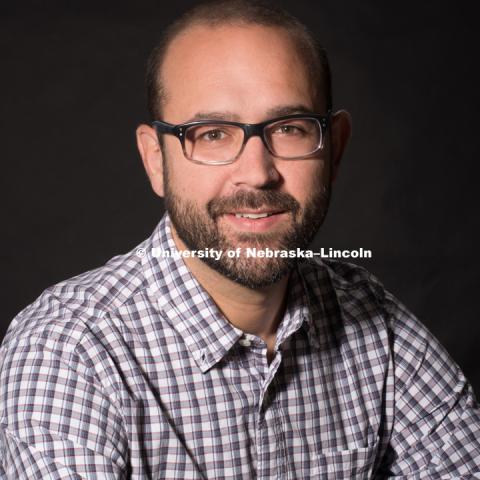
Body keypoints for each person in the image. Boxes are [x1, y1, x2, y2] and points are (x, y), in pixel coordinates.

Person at [1, 1, 479, 478]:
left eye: (290, 129)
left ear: (334, 149)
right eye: (211, 134)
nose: (256, 174)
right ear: (155, 160)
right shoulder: (69, 351)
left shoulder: (376, 325)